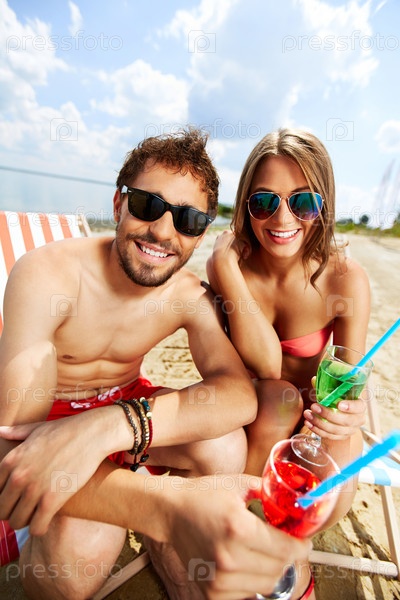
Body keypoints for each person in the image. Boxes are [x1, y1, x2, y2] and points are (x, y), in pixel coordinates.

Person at [0, 128, 313, 600]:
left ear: (200, 234)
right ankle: (149, 525)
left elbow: (238, 394)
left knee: (224, 445)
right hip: (47, 421)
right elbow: (10, 449)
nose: (164, 232)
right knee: (80, 557)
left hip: (125, 413)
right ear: (118, 205)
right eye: (148, 205)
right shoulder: (48, 275)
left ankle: (171, 558)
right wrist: (166, 505)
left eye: (188, 219)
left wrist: (112, 424)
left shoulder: (186, 295)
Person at [206, 128, 370, 599]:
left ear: (325, 205)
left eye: (304, 202)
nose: (282, 218)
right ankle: (253, 537)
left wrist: (349, 413)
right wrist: (227, 273)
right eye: (263, 202)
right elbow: (266, 365)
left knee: (325, 498)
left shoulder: (344, 278)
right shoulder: (230, 266)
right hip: (252, 418)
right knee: (278, 397)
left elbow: (349, 377)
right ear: (245, 205)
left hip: (317, 421)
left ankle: (276, 549)